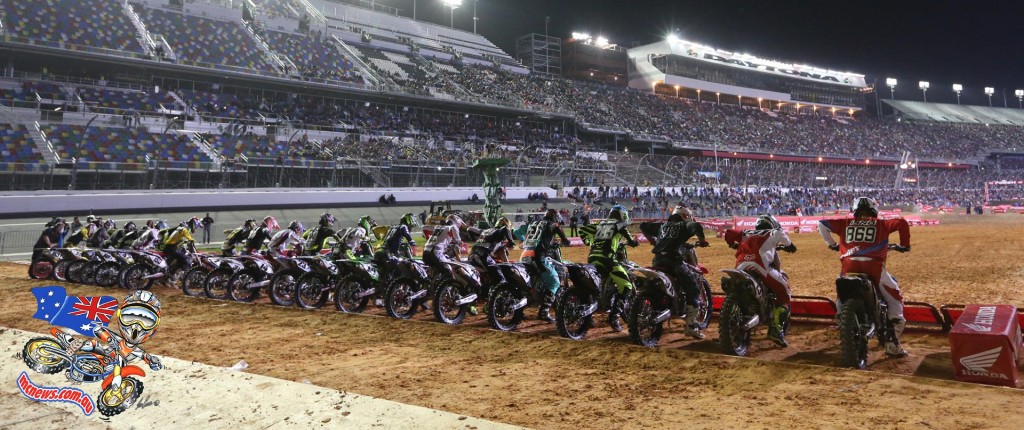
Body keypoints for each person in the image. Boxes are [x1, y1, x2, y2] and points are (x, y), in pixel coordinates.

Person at [818, 197, 911, 357]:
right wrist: (904, 245)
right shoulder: (881, 223)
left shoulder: (845, 223)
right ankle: (892, 343)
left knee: (841, 297)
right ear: (874, 209)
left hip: (848, 266)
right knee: (895, 298)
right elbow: (902, 222)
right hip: (873, 267)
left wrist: (832, 244)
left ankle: (843, 321)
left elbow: (821, 224)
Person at [724, 214, 797, 347]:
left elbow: (728, 232)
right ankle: (775, 330)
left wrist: (732, 244)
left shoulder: (746, 232)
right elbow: (780, 233)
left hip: (741, 267)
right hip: (760, 267)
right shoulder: (772, 232)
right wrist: (790, 245)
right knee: (784, 293)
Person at [644, 206, 709, 339]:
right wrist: (702, 241)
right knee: (693, 289)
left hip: (657, 261)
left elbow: (643, 226)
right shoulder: (684, 225)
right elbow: (696, 226)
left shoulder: (663, 226)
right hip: (674, 261)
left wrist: (652, 240)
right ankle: (690, 326)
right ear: (685, 216)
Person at [580, 205, 638, 331]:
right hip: (607, 259)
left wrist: (590, 242)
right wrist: (632, 241)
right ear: (622, 215)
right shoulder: (619, 224)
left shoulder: (601, 223)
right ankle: (614, 317)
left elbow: (582, 231)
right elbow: (627, 234)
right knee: (626, 286)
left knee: (593, 287)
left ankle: (588, 318)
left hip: (592, 257)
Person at [520, 209, 569, 323]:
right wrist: (565, 241)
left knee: (532, 282)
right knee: (554, 282)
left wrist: (549, 243)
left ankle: (522, 306)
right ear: (554, 217)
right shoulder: (553, 224)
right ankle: (544, 311)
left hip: (524, 254)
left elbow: (538, 239)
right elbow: (560, 231)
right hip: (537, 256)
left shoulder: (534, 223)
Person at [468, 217, 515, 285]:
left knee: (486, 274)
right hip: (483, 255)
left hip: (471, 253)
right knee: (500, 277)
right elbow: (505, 229)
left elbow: (469, 229)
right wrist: (511, 242)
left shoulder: (485, 230)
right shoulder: (499, 231)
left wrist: (475, 240)